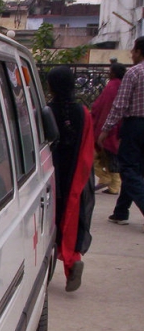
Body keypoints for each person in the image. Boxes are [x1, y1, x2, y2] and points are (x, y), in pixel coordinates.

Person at [47, 65, 95, 292]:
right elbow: (87, 148)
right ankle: (72, 260)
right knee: (72, 218)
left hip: (51, 174)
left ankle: (44, 267)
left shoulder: (46, 111)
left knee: (48, 219)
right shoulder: (83, 113)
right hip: (74, 174)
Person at [99, 37, 144, 227]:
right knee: (137, 169)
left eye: (133, 50)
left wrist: (105, 129)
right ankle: (121, 211)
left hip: (135, 125)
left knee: (127, 168)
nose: (131, 54)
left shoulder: (134, 73)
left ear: (139, 51)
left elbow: (120, 105)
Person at [90, 63, 126, 194]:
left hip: (106, 128)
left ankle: (109, 180)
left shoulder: (111, 86)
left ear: (114, 73)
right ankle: (112, 183)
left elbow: (100, 105)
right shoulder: (121, 86)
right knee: (108, 157)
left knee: (98, 157)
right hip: (117, 128)